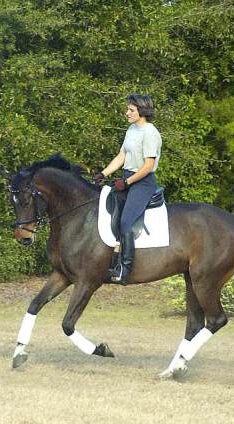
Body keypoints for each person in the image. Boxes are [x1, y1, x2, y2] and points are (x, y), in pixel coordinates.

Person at [94, 93, 162, 285]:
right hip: (126, 179)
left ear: (142, 111)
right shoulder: (132, 129)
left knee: (125, 223)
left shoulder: (150, 133)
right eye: (128, 110)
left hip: (142, 183)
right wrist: (103, 173)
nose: (127, 113)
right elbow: (121, 156)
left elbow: (148, 166)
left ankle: (126, 269)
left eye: (131, 110)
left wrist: (128, 182)